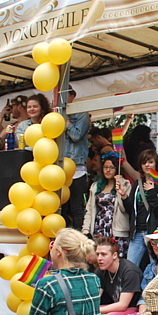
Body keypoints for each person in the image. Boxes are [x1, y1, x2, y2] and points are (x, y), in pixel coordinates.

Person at [93, 237, 141, 315]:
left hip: (133, 308)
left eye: (103, 254)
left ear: (114, 255)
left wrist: (95, 310)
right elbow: (96, 297)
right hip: (114, 306)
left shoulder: (129, 271)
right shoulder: (102, 271)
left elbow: (122, 305)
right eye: (97, 254)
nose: (99, 258)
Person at [121, 149, 158, 268]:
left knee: (157, 266)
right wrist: (124, 196)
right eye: (144, 163)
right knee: (130, 266)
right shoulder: (137, 184)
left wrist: (152, 192)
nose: (147, 165)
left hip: (154, 232)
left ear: (156, 164)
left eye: (150, 162)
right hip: (137, 232)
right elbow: (131, 211)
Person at [82, 153, 130, 255]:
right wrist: (86, 229)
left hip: (116, 228)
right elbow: (89, 209)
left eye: (112, 167)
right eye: (105, 167)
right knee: (99, 257)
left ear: (117, 169)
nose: (108, 170)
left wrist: (120, 184)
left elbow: (124, 208)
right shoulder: (95, 186)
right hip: (99, 227)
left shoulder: (125, 184)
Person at [62, 88, 91, 231]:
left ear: (73, 96)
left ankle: (78, 235)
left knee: (76, 206)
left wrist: (67, 123)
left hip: (76, 166)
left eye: (65, 94)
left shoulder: (82, 114)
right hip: (59, 166)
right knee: (61, 206)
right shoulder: (54, 114)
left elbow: (76, 135)